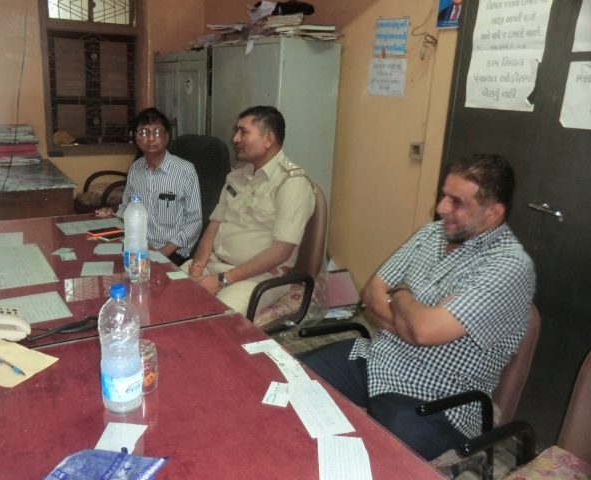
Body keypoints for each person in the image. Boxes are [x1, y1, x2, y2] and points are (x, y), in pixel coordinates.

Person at [301, 154, 536, 460]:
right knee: (294, 378)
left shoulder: (508, 266)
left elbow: (423, 331)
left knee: (374, 457)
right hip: (379, 359)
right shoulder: (430, 234)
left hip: (441, 398)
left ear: (492, 214)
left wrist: (400, 293)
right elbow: (372, 294)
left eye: (456, 202)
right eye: (443, 196)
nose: (441, 208)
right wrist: (411, 324)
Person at [183, 106, 315, 315]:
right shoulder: (237, 175)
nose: (235, 138)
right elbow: (215, 225)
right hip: (214, 265)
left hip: (258, 277)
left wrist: (223, 280)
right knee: (166, 294)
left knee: (213, 317)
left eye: (243, 132)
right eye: (237, 131)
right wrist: (196, 268)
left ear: (268, 139)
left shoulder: (292, 183)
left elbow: (281, 252)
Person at [96, 107, 202, 266]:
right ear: (136, 138)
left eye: (157, 132)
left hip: (172, 251)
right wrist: (113, 214)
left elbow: (194, 221)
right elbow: (127, 207)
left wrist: (162, 253)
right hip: (139, 246)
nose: (151, 138)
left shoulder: (185, 171)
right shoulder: (135, 168)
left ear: (167, 137)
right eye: (144, 132)